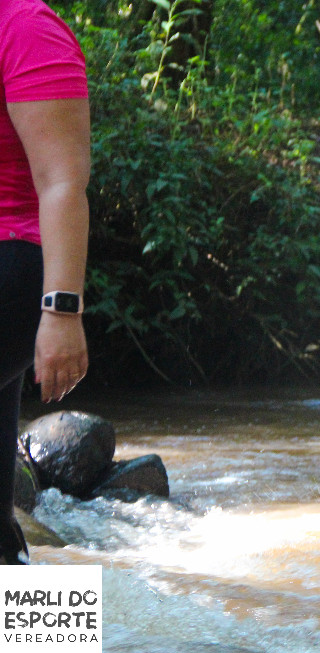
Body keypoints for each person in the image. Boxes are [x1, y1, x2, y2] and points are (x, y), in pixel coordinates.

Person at [1, 0, 91, 564]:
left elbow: (62, 180)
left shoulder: (25, 26)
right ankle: (47, 648)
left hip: (14, 265)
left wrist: (61, 312)